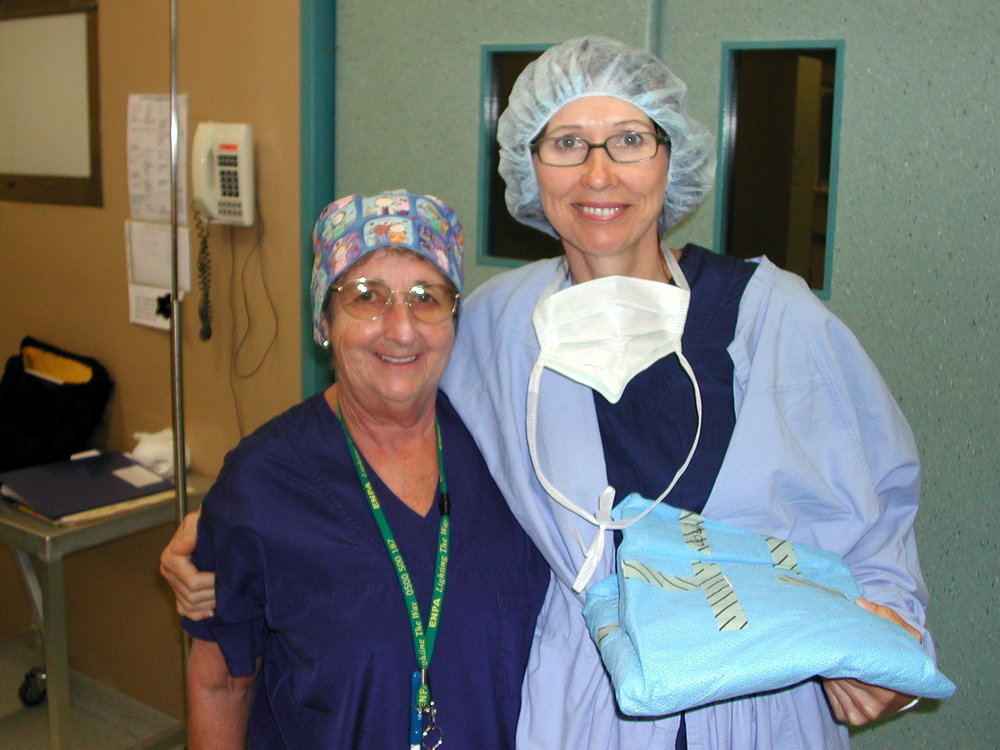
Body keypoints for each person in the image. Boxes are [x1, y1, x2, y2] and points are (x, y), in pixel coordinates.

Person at [164, 36, 938, 750]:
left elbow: (876, 507)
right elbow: (380, 418)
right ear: (529, 167)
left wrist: (878, 632)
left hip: (754, 704)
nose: (599, 175)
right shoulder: (502, 325)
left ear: (672, 158)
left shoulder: (776, 318)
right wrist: (225, 525)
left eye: (630, 141)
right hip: (574, 706)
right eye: (568, 144)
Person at [179, 190, 549, 749]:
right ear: (324, 319)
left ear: (454, 320)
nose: (401, 329)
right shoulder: (261, 484)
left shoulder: (510, 453)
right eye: (365, 296)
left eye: (427, 297)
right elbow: (220, 685)